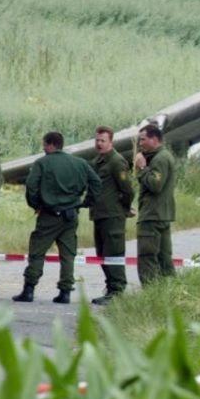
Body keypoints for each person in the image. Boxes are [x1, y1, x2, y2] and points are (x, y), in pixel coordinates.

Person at [13, 131, 100, 304]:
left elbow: (31, 186)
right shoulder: (80, 163)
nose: (43, 148)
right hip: (71, 215)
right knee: (67, 254)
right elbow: (96, 182)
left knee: (37, 251)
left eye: (44, 144)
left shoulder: (42, 163)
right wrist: (84, 203)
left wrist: (36, 204)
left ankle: (29, 289)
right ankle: (65, 292)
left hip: (49, 215)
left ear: (51, 144)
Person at [89, 126, 134, 305]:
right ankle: (110, 288)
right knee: (101, 254)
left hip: (113, 216)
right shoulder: (97, 161)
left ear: (111, 142)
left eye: (103, 141)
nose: (99, 144)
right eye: (97, 140)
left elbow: (127, 190)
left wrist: (124, 208)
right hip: (99, 214)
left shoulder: (117, 161)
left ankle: (117, 291)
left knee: (113, 253)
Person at [134, 123, 176, 285]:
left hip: (152, 215)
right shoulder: (163, 156)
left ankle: (151, 292)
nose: (140, 143)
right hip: (162, 215)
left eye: (143, 139)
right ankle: (171, 292)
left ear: (154, 139)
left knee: (147, 257)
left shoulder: (160, 159)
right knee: (164, 257)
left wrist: (142, 168)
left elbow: (155, 185)